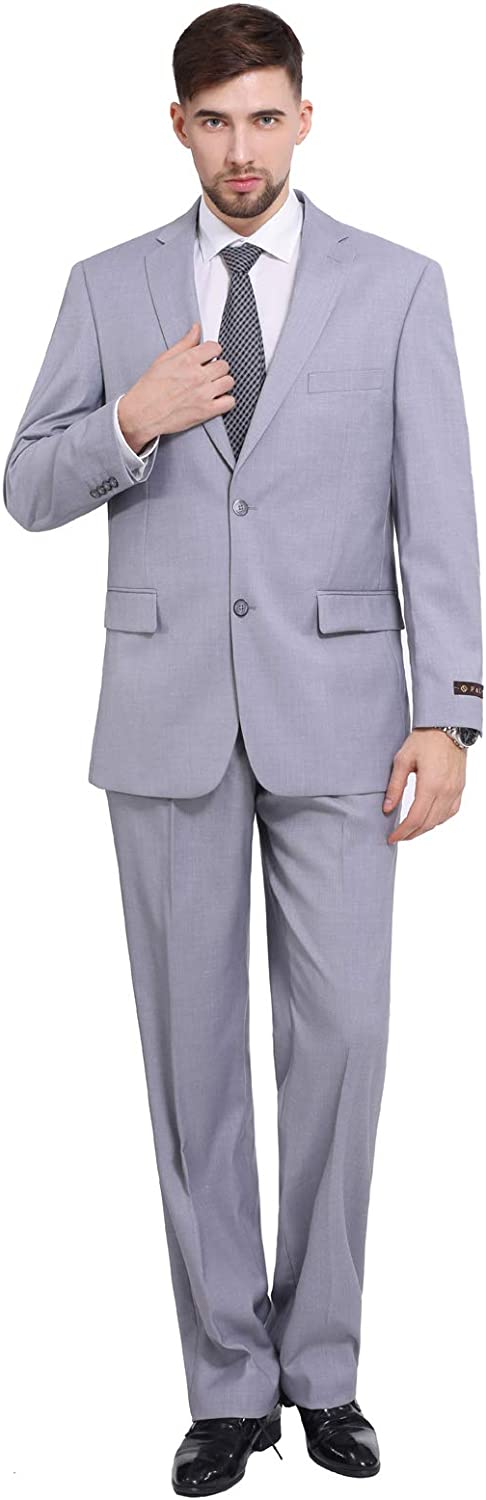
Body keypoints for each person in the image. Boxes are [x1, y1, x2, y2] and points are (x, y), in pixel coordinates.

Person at [3, 4, 482, 1492]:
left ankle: (322, 1369)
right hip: (164, 727)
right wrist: (129, 422)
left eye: (265, 117)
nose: (241, 149)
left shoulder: (398, 286)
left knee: (341, 1043)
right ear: (178, 126)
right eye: (214, 121)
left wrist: (450, 708)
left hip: (344, 717)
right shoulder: (108, 284)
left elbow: (440, 509)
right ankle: (227, 1383)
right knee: (191, 1062)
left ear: (304, 119)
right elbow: (27, 485)